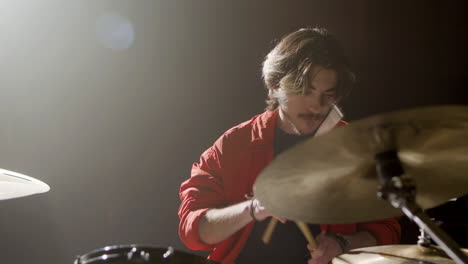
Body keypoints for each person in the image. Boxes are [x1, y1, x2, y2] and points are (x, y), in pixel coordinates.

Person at [178, 27, 401, 264]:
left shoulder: (354, 147)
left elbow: (386, 230)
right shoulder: (234, 145)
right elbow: (193, 231)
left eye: (328, 94)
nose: (317, 106)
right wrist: (253, 208)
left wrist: (342, 243)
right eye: (306, 91)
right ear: (275, 84)